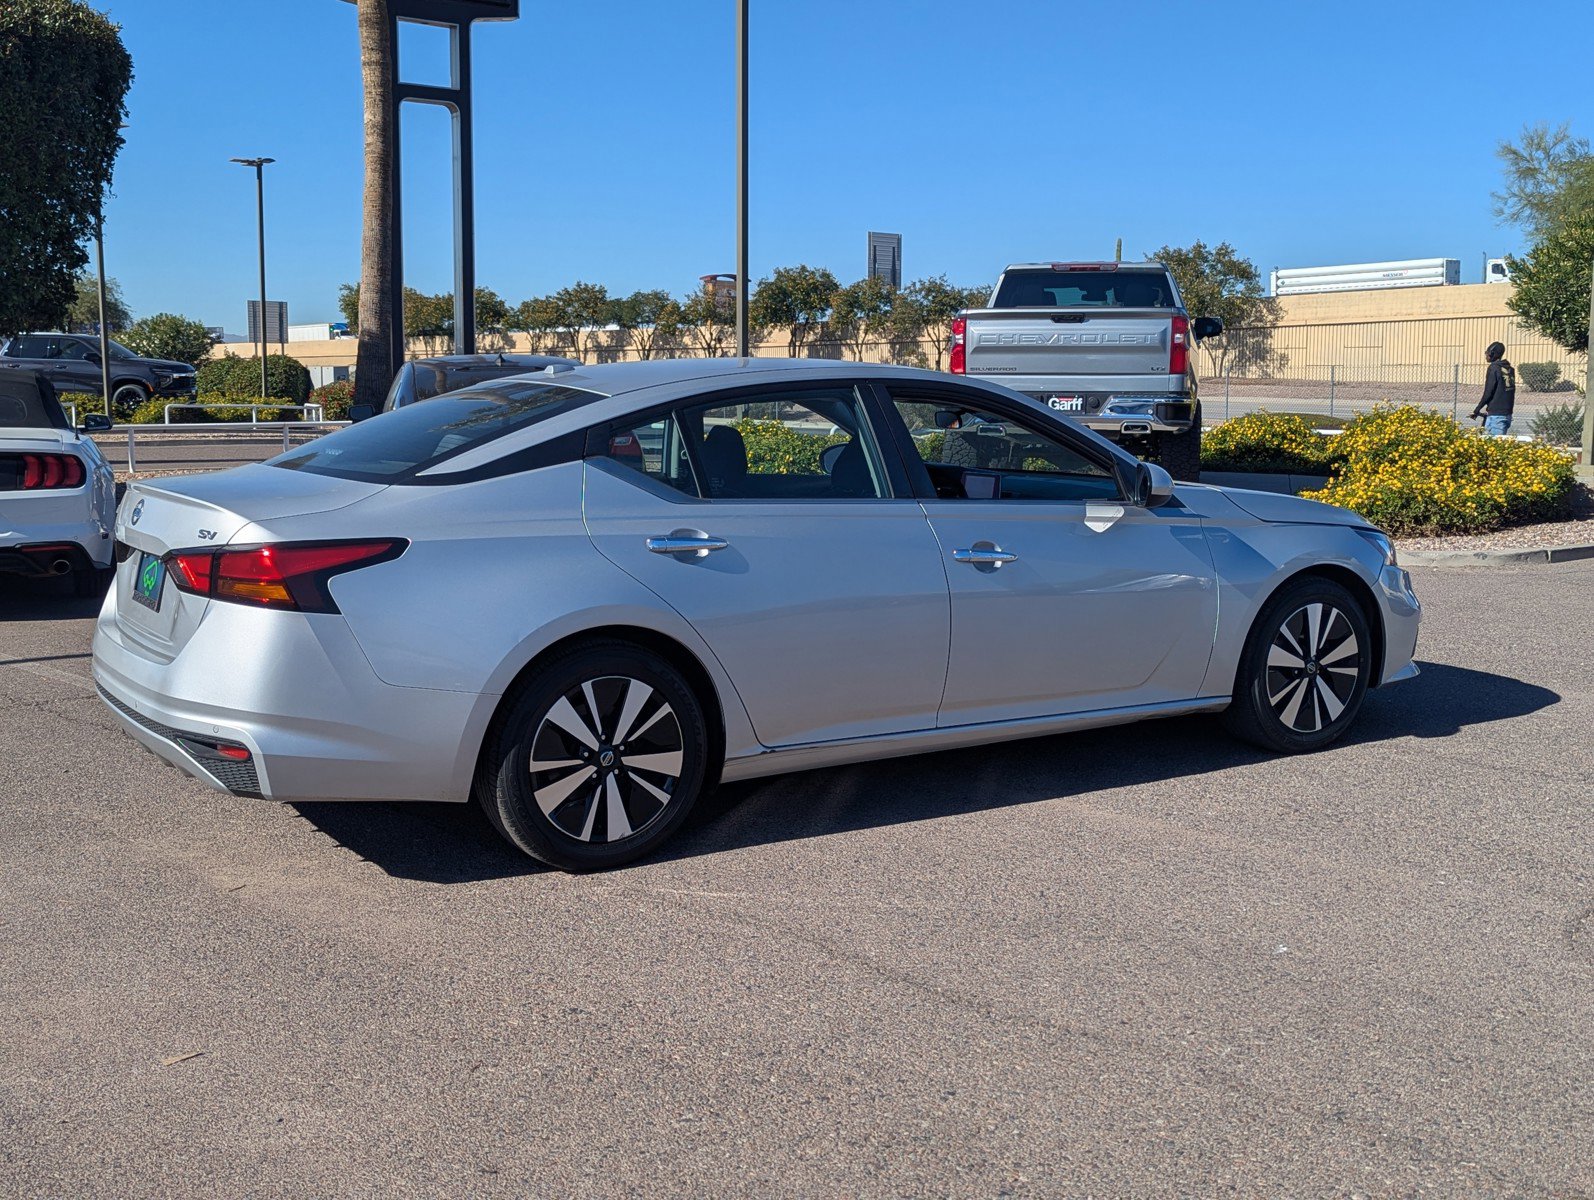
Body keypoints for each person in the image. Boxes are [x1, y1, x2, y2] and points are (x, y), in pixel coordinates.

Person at [1470, 342, 1516, 436]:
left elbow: (1488, 392)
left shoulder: (1494, 368)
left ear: (1492, 353)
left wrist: (1477, 410)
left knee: (1493, 447)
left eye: (1487, 353)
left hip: (1496, 417)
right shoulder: (1509, 369)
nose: (1486, 355)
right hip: (1506, 414)